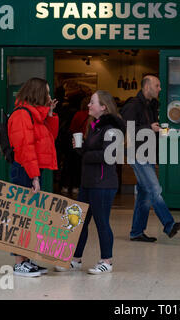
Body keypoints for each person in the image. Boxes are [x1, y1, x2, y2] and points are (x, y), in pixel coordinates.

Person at [55, 90, 126, 274]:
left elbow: (108, 155)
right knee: (80, 222)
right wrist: (80, 149)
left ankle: (106, 261)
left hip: (103, 183)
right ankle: (76, 259)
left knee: (102, 222)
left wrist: (85, 153)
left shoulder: (111, 128)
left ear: (103, 107)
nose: (88, 105)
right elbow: (92, 151)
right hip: (88, 182)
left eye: (92, 102)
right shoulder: (95, 125)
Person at [120, 75, 180, 242]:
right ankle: (169, 224)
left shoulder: (152, 105)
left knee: (144, 193)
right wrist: (149, 128)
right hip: (136, 152)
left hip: (147, 152)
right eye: (157, 85)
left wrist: (158, 131)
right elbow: (127, 130)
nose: (160, 89)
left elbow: (149, 129)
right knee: (154, 188)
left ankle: (136, 232)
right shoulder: (132, 105)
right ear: (146, 87)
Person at [7, 77, 59, 277]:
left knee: (30, 217)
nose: (49, 96)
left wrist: (51, 114)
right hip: (25, 169)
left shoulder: (36, 116)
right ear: (38, 93)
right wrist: (34, 177)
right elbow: (25, 149)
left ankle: (26, 260)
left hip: (32, 168)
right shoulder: (22, 115)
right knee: (22, 217)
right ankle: (20, 262)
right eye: (46, 92)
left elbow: (49, 139)